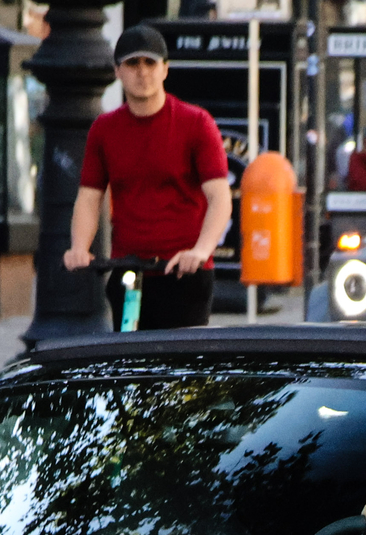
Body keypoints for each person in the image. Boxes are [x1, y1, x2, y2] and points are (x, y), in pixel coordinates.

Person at [64, 25, 232, 331]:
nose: (142, 73)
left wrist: (201, 250)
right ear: (117, 71)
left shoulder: (196, 123)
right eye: (132, 64)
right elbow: (89, 196)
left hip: (184, 272)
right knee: (128, 363)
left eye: (150, 63)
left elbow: (219, 196)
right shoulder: (104, 130)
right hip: (129, 269)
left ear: (165, 69)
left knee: (179, 369)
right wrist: (79, 246)